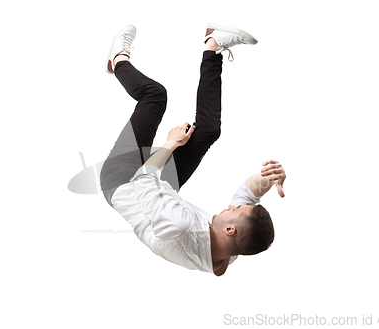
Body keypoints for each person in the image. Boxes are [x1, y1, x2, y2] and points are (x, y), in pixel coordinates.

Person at [100, 24, 286, 276]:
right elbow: (246, 198)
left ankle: (118, 60)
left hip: (124, 180)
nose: (231, 206)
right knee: (208, 131)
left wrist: (171, 143)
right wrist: (268, 177)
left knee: (155, 95)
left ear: (229, 230)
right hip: (161, 193)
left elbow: (144, 178)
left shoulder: (177, 226)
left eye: (234, 212)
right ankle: (214, 47)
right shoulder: (230, 249)